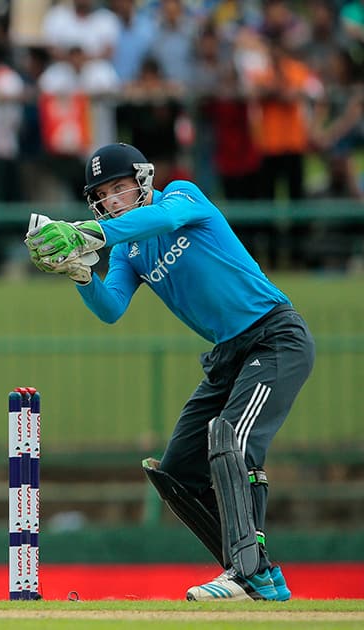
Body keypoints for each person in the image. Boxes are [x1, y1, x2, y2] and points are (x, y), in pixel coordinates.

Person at [25, 142, 315, 601]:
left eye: (120, 187)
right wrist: (80, 274)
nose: (114, 200)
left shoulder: (181, 196)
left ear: (142, 179)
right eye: (104, 194)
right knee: (177, 473)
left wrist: (88, 234)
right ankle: (259, 573)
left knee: (232, 440)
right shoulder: (129, 250)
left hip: (274, 336)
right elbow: (111, 308)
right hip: (227, 356)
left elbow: (159, 221)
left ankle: (244, 573)